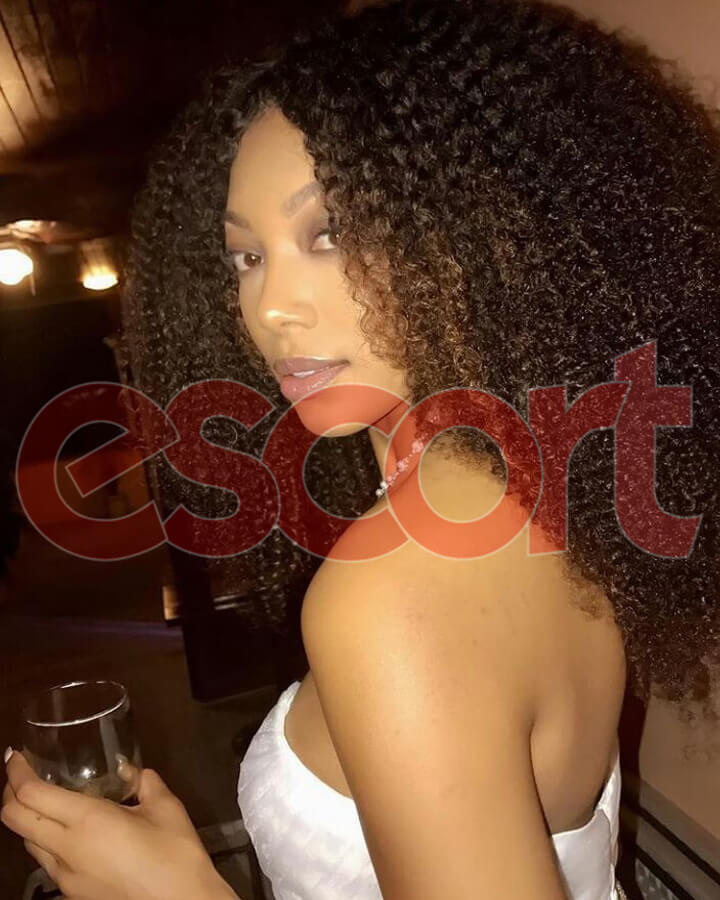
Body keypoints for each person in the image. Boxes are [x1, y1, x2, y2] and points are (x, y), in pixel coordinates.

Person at [3, 0, 719, 897]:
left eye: (330, 234)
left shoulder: (392, 596)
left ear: (483, 233)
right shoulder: (539, 474)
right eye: (246, 256)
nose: (270, 307)